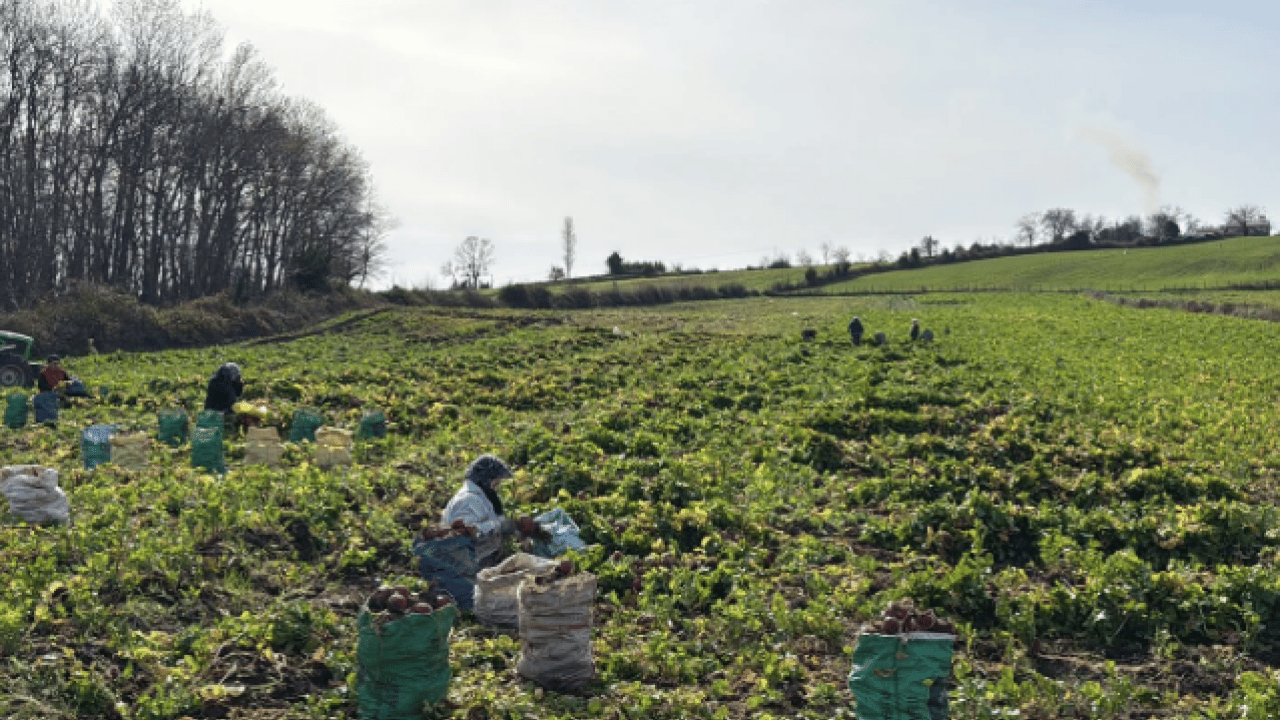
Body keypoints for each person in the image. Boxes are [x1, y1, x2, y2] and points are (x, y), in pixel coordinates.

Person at [441, 454, 520, 568]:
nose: (496, 488)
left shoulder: (479, 498)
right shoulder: (467, 500)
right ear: (485, 481)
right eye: (495, 483)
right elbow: (465, 535)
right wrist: (502, 526)